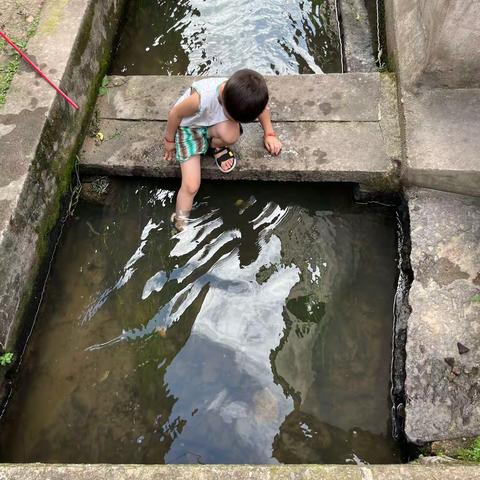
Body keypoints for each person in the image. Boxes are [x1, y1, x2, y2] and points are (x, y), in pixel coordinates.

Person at [163, 69, 282, 228]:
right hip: (189, 129)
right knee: (191, 185)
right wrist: (169, 140)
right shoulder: (201, 99)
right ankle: (180, 220)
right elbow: (175, 113)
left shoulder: (239, 95)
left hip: (211, 125)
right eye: (234, 118)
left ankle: (212, 146)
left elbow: (262, 108)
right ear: (224, 103)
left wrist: (269, 134)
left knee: (232, 134)